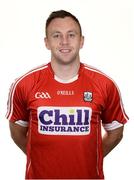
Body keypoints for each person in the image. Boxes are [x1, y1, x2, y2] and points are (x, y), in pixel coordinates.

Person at [6, 10, 128, 179]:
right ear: (46, 42)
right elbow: (17, 133)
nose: (64, 42)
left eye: (71, 35)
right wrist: (41, 156)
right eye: (56, 36)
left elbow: (116, 133)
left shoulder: (105, 84)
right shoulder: (24, 84)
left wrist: (92, 157)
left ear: (82, 41)